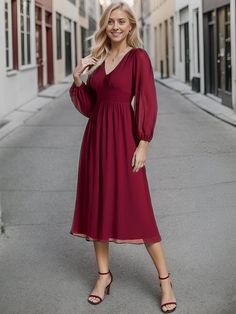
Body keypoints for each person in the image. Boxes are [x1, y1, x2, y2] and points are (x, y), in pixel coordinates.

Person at [69, 2, 177, 313]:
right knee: (97, 206)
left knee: (140, 208)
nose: (115, 26)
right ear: (105, 26)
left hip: (124, 140)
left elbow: (147, 99)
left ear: (130, 26)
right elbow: (90, 107)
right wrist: (78, 78)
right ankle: (103, 276)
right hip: (95, 141)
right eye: (111, 21)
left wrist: (143, 143)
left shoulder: (138, 58)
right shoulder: (99, 61)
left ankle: (165, 280)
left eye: (121, 21)